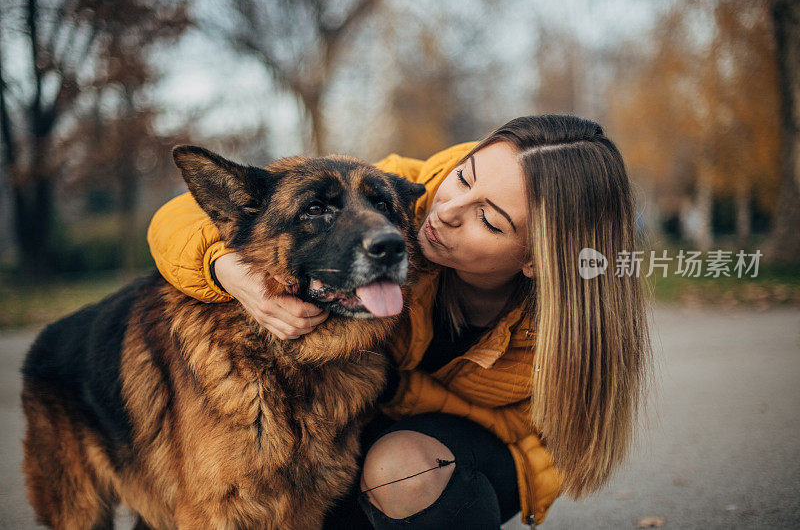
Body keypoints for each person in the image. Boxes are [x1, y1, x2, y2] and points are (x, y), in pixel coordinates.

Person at [146, 114, 653, 528]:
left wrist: (399, 390)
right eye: (465, 175)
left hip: (461, 456)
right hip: (371, 422)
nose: (447, 210)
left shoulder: (567, 334)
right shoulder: (401, 191)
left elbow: (544, 435)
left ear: (538, 260)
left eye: (490, 219)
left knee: (400, 473)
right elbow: (182, 214)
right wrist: (224, 267)